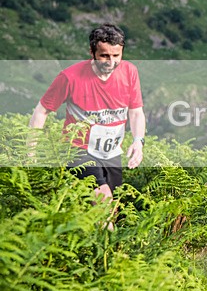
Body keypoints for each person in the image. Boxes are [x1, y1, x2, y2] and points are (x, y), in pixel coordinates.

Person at [29, 24, 146, 228]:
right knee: (103, 199)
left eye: (116, 56)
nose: (111, 62)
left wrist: (138, 141)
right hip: (78, 150)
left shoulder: (130, 72)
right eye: (104, 56)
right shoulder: (70, 77)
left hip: (111, 151)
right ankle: (109, 252)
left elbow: (135, 112)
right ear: (91, 52)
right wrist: (30, 151)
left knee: (112, 208)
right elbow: (42, 111)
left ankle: (91, 248)